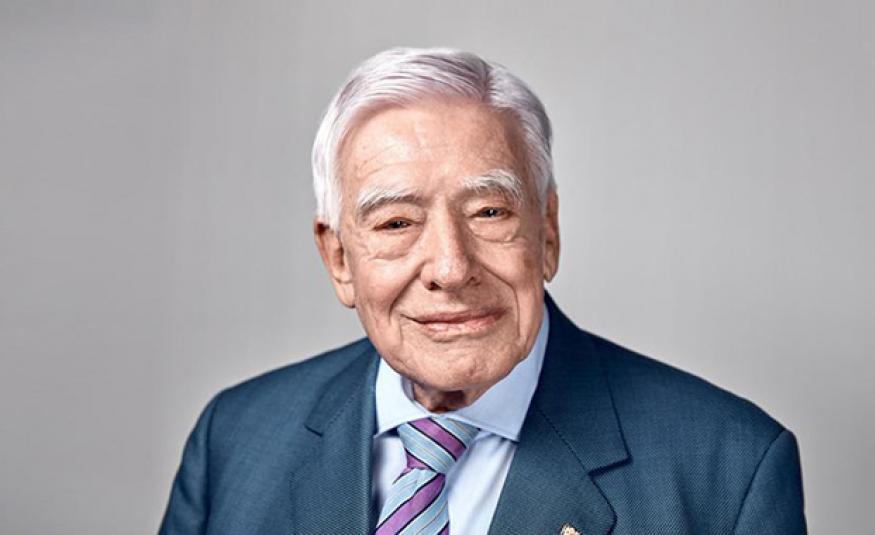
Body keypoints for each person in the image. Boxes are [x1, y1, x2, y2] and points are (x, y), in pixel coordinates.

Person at [159, 47, 807, 535]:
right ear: (338, 260)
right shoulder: (236, 437)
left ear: (547, 232)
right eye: (396, 223)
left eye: (489, 212)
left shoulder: (729, 468)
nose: (450, 267)